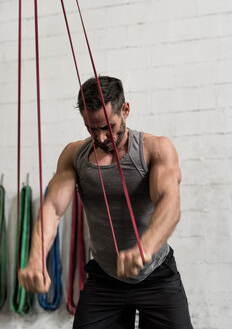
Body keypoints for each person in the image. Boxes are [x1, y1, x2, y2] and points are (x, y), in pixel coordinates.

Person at [19, 76, 193, 328]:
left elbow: (170, 203)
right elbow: (52, 209)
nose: (100, 138)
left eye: (108, 127)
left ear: (125, 110)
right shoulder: (74, 155)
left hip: (156, 276)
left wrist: (144, 248)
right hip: (104, 279)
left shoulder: (154, 149)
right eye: (92, 129)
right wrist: (36, 258)